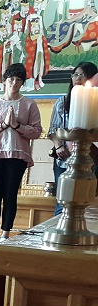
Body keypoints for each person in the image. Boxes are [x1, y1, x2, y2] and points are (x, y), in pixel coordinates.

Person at [0, 63, 42, 242]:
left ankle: (6, 233)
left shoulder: (29, 104)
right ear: (4, 81)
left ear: (23, 83)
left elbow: (36, 131)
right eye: (11, 79)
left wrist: (17, 126)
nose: (14, 82)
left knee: (10, 194)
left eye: (18, 79)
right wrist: (3, 125)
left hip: (17, 155)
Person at [48, 61, 98, 216]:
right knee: (62, 200)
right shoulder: (62, 102)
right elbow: (53, 130)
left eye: (82, 75)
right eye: (75, 74)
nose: (78, 78)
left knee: (85, 199)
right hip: (64, 159)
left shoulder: (95, 103)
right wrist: (59, 146)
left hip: (89, 159)